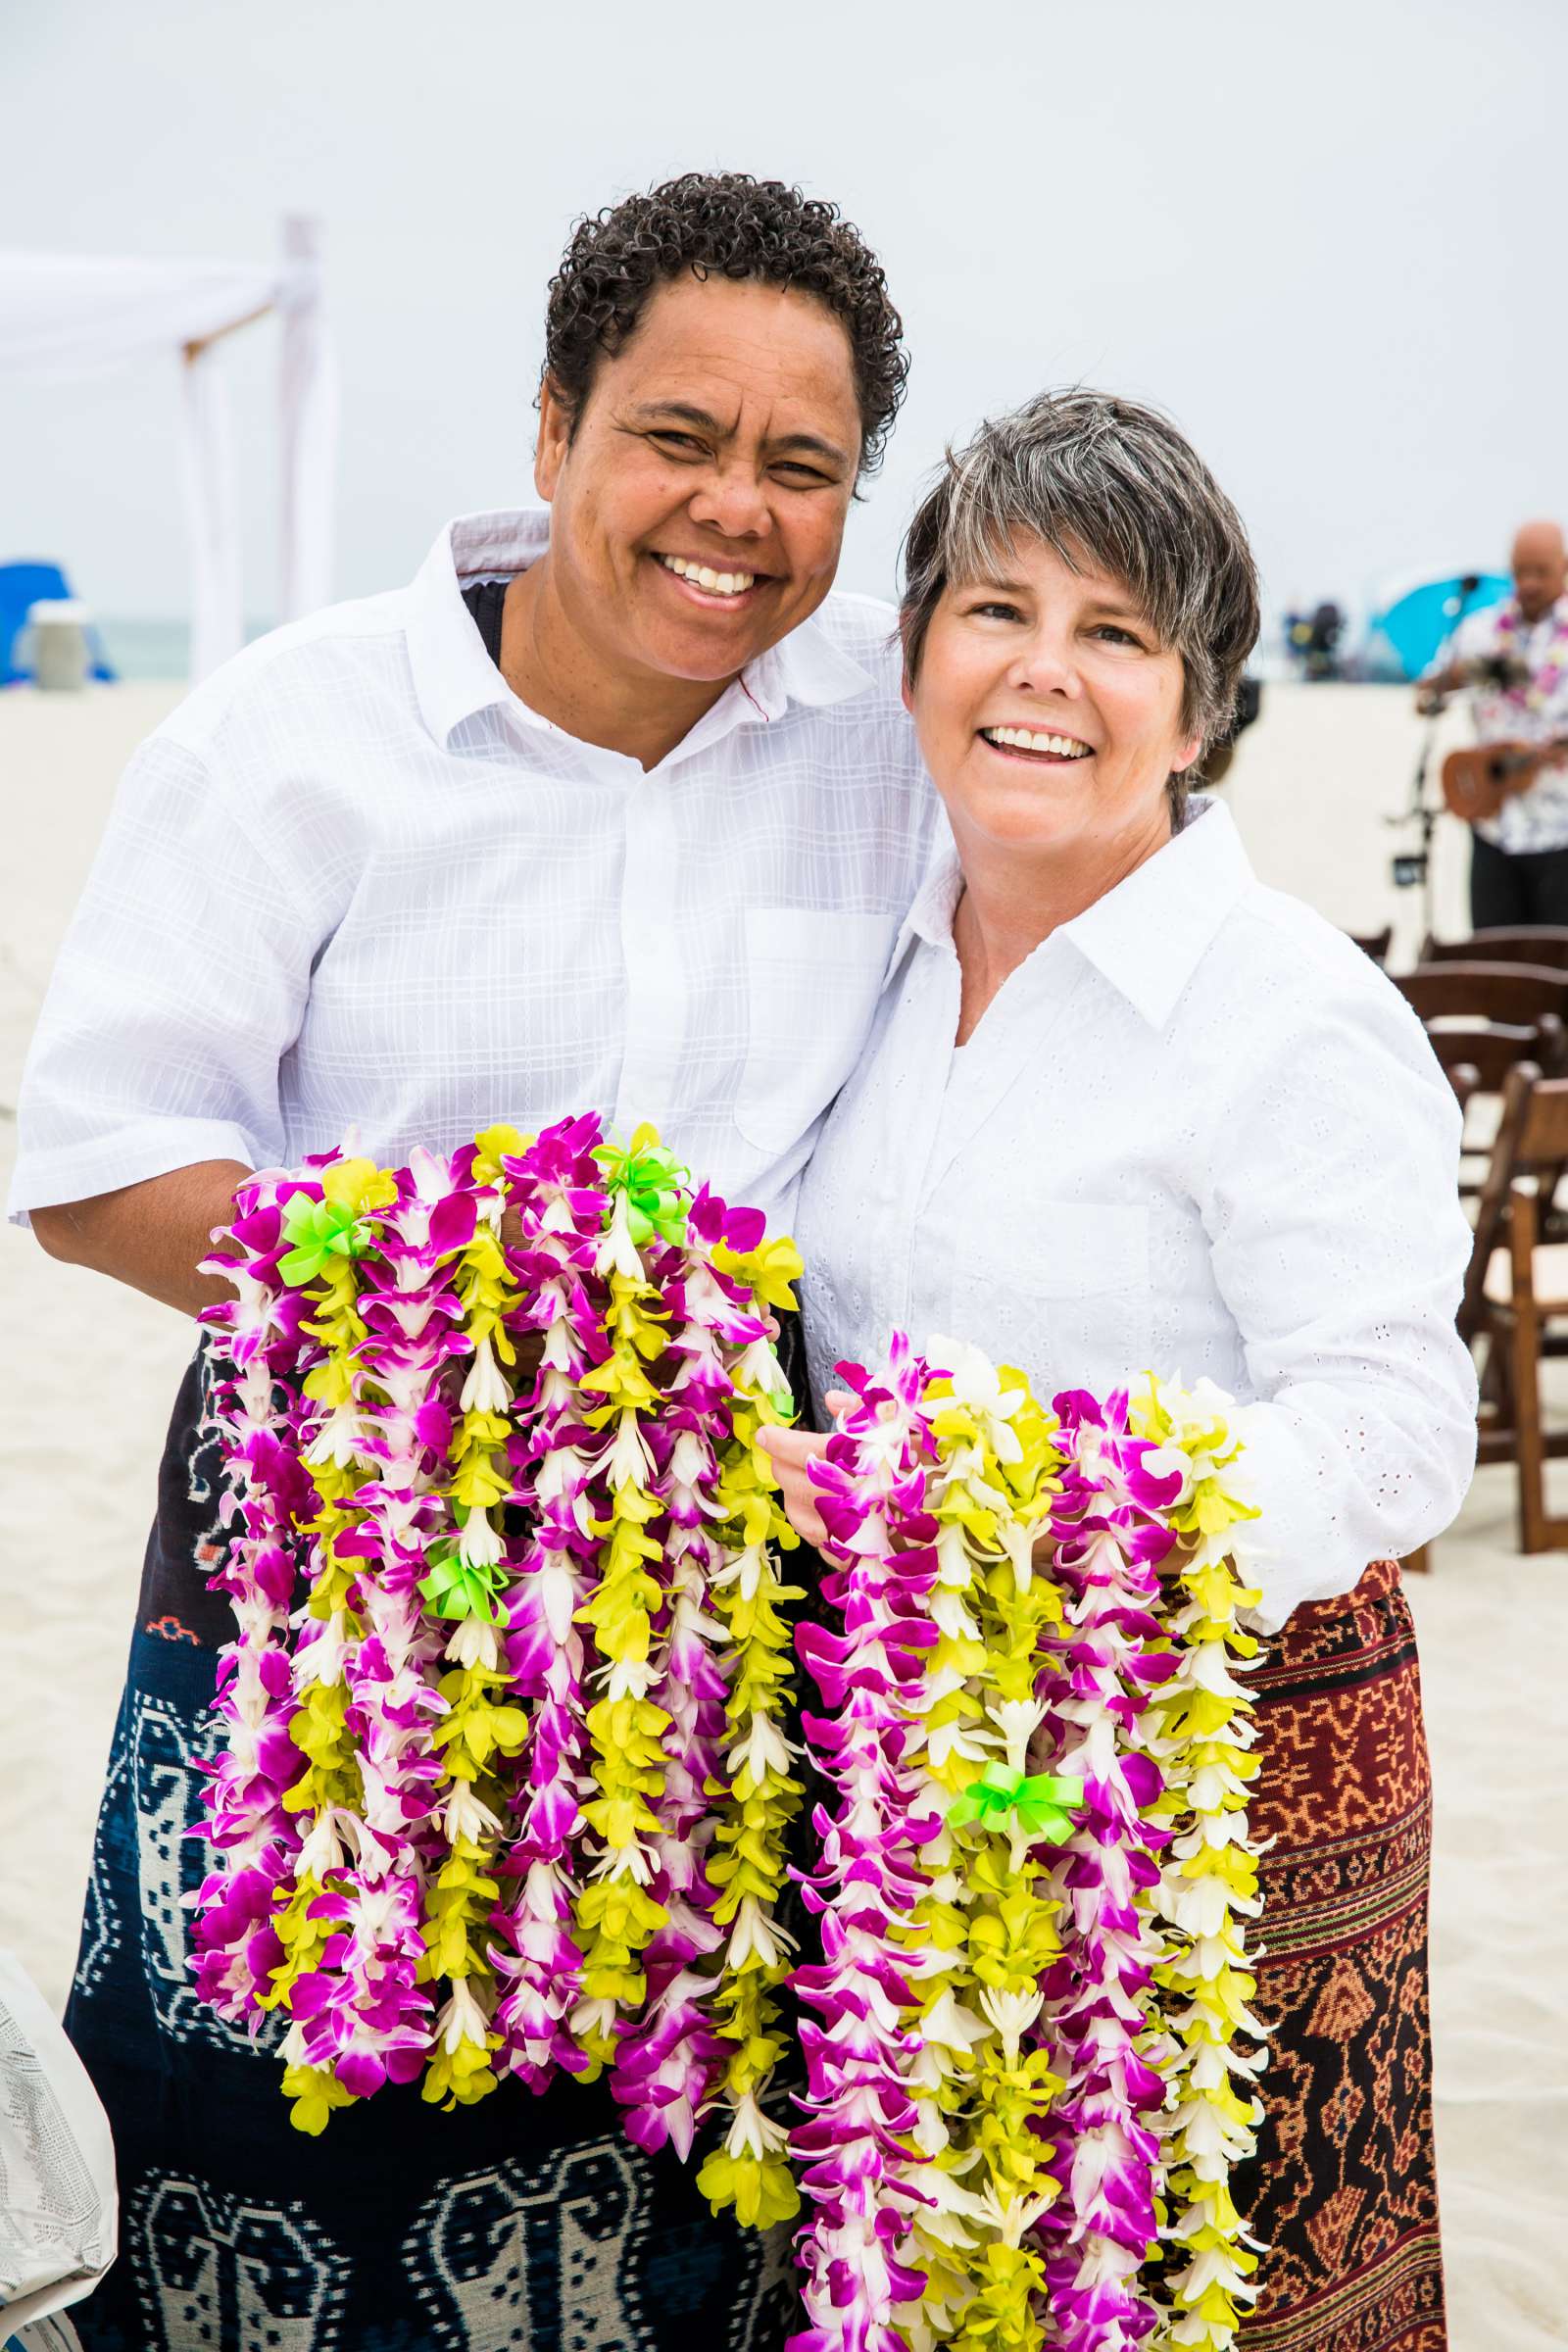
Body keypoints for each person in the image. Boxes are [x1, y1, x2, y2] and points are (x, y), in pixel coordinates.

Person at [10, 172, 938, 2352]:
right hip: (327, 1586)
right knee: (265, 2161)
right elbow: (96, 1163)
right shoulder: (289, 740)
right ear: (550, 432)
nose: (733, 511)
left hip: (716, 1598)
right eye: (675, 436)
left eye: (799, 467)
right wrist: (476, 1299)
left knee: (682, 2168)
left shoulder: (877, 759)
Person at [763, 390, 1475, 2352]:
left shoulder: (1285, 1017)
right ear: (909, 649)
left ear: (1199, 699)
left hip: (1208, 1772)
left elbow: (1397, 1430)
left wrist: (1058, 1541)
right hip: (905, 1769)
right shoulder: (873, 966)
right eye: (993, 610)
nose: (1039, 675)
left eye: (1114, 633)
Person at [1422, 519, 1568, 927]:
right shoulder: (1480, 633)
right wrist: (1459, 676)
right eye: (1521, 572)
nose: (1530, 583)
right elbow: (1424, 698)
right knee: (1494, 963)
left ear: (1564, 567)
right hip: (1491, 825)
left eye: (1541, 572)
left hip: (1560, 833)